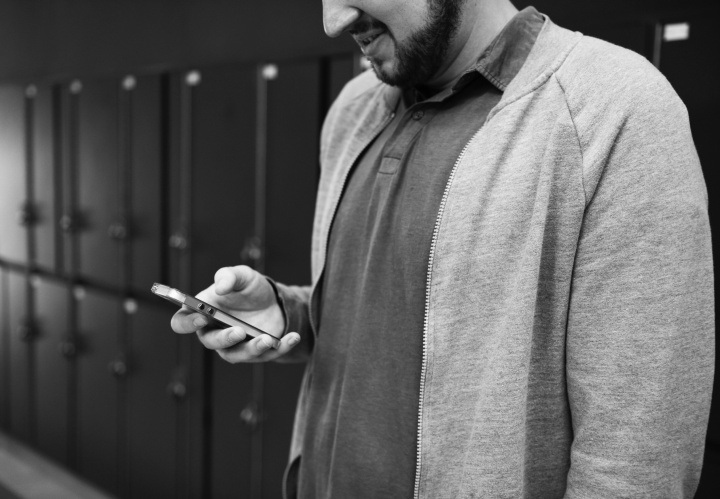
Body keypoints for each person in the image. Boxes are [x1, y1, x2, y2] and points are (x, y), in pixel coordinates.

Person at [171, 0, 715, 497]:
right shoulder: (355, 109)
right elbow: (398, 320)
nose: (333, 21)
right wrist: (290, 314)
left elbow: (639, 457)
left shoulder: (615, 105)